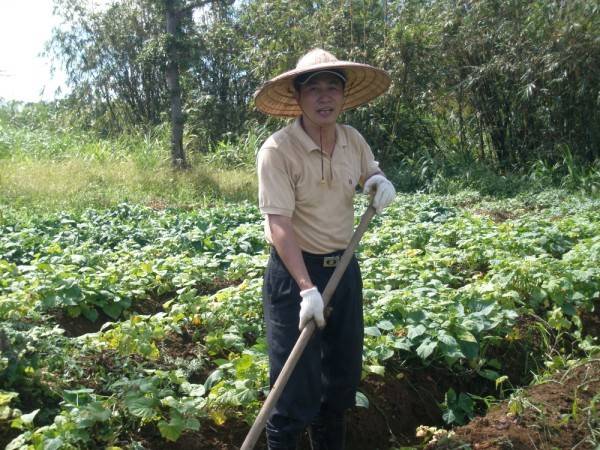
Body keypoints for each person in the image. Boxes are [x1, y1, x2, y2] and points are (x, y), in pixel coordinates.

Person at [254, 48, 396, 450]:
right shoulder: (277, 151)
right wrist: (307, 290)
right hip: (295, 276)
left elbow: (370, 172)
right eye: (313, 88)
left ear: (343, 95)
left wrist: (377, 181)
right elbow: (279, 225)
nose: (324, 97)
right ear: (297, 97)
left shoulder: (352, 140)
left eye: (332, 87)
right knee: (292, 392)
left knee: (339, 386)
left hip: (343, 269)